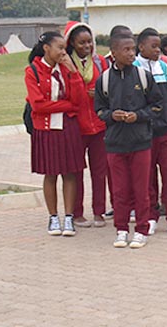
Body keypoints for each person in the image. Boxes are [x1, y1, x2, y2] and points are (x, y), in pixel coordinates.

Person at [94, 31, 163, 249]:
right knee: (120, 191)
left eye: (133, 49)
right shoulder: (104, 80)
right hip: (115, 143)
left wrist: (139, 116)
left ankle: (141, 230)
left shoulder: (143, 77)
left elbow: (157, 106)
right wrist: (110, 115)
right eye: (126, 50)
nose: (131, 53)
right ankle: (121, 229)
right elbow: (98, 110)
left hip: (140, 142)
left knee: (141, 189)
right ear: (113, 53)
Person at [25, 31, 86, 237]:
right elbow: (38, 105)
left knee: (70, 173)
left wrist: (73, 73)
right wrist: (66, 105)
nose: (63, 52)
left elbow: (78, 101)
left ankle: (68, 217)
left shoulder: (67, 69)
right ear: (46, 49)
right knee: (50, 174)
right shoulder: (32, 70)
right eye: (59, 48)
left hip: (68, 127)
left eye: (64, 48)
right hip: (45, 129)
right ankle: (53, 217)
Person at [134, 28, 167, 237]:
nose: (158, 50)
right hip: (145, 132)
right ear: (141, 47)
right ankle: (150, 217)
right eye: (153, 46)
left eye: (159, 46)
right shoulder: (135, 68)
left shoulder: (165, 66)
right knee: (147, 179)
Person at [63, 21, 109, 229]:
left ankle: (99, 212)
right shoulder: (64, 64)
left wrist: (100, 95)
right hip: (76, 126)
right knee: (76, 171)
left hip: (99, 125)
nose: (87, 47)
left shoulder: (100, 63)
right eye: (81, 43)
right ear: (72, 43)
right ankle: (77, 213)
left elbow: (111, 88)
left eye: (89, 42)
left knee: (100, 171)